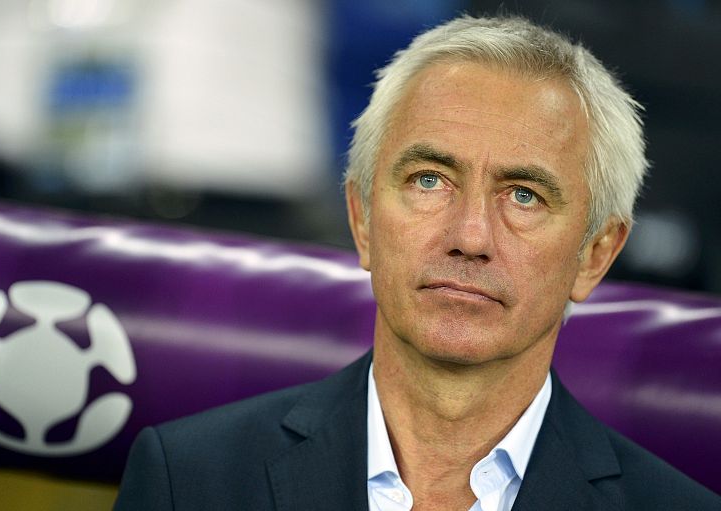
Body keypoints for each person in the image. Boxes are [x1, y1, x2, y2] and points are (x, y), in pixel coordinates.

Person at [113, 15, 720, 510]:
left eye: (524, 195)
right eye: (430, 180)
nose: (470, 236)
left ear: (596, 253)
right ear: (362, 218)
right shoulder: (188, 480)